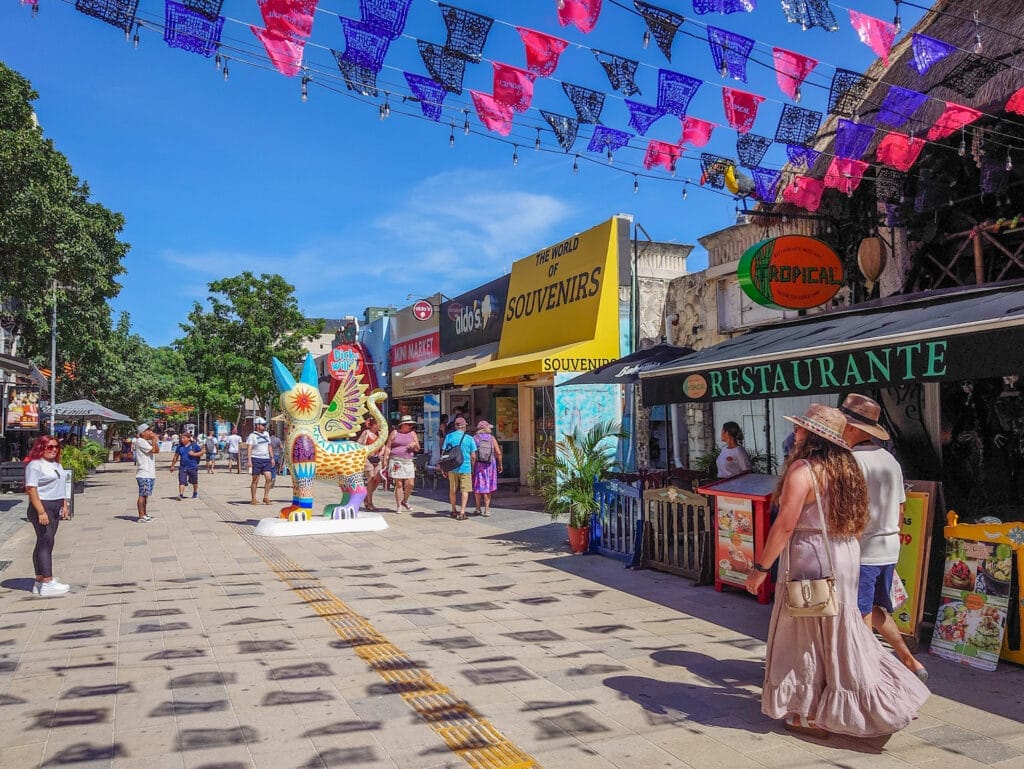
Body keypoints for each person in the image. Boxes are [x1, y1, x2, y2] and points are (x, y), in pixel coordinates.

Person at [744, 404, 928, 739]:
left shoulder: (804, 470)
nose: (795, 433)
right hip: (843, 557)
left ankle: (809, 713)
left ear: (810, 435)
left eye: (800, 428)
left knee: (804, 636)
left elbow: (785, 525)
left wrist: (760, 568)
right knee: (837, 631)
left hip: (811, 558)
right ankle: (841, 701)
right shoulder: (847, 469)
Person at [840, 394, 928, 682]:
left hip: (863, 550)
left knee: (860, 614)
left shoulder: (851, 461)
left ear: (852, 428)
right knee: (877, 609)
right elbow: (901, 509)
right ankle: (909, 660)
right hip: (889, 547)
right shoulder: (889, 459)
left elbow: (849, 513)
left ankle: (868, 673)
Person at [23, 435, 71, 597]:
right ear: (41, 447)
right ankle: (47, 581)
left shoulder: (56, 464)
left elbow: (61, 485)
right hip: (42, 506)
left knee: (45, 541)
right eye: (49, 447)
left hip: (55, 505)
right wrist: (41, 511)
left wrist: (64, 505)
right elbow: (31, 488)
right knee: (46, 541)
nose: (54, 450)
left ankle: (40, 579)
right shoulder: (35, 465)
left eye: (56, 447)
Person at [442, 416, 477, 520]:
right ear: (464, 426)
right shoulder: (469, 438)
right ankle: (462, 512)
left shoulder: (449, 437)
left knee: (452, 490)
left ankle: (453, 509)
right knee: (464, 490)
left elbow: (444, 453)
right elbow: (473, 456)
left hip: (452, 467)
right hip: (465, 467)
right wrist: (472, 468)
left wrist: (444, 468)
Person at [383, 415, 420, 511]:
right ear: (403, 425)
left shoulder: (412, 434)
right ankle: (399, 505)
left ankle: (405, 500)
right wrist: (385, 459)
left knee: (410, 483)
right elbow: (388, 446)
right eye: (408, 424)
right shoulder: (394, 433)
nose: (410, 426)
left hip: (408, 460)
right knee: (399, 484)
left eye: (411, 425)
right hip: (396, 460)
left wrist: (414, 445)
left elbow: (418, 448)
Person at [471, 420, 502, 516]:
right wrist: (500, 464)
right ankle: (487, 510)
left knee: (478, 486)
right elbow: (498, 452)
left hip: (478, 465)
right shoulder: (491, 438)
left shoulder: (475, 438)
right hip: (490, 465)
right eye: (488, 427)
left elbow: (473, 455)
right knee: (487, 486)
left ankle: (477, 508)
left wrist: (472, 467)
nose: (490, 429)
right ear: (484, 428)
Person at [134, 422, 159, 523]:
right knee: (142, 494)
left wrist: (154, 441)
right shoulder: (140, 441)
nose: (150, 432)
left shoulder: (145, 441)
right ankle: (141, 515)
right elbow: (154, 451)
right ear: (142, 433)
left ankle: (144, 513)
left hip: (149, 473)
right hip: (144, 473)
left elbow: (157, 450)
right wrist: (154, 439)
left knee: (146, 494)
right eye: (148, 431)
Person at [247, 417, 275, 504]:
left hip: (266, 459)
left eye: (264, 424)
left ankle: (266, 497)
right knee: (255, 480)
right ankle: (253, 498)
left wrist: (272, 457)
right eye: (263, 424)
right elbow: (249, 449)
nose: (264, 426)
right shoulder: (252, 436)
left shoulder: (266, 434)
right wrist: (249, 460)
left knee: (269, 478)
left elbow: (269, 446)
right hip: (256, 459)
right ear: (257, 425)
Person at [356, 417, 383, 511]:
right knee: (371, 478)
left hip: (377, 459)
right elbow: (359, 444)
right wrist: (366, 451)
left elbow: (383, 446)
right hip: (367, 459)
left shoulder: (380, 434)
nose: (380, 425)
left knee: (377, 479)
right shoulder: (366, 433)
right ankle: (370, 502)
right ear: (374, 425)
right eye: (378, 423)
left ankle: (366, 496)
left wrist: (380, 453)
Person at [168, 432, 203, 499]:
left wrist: (194, 454)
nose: (182, 439)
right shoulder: (180, 447)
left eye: (184, 438)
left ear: (189, 438)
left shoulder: (194, 446)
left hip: (192, 467)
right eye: (181, 438)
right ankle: (181, 494)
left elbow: (201, 452)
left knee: (194, 481)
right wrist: (172, 465)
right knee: (182, 481)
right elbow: (176, 456)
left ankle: (195, 492)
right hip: (183, 467)